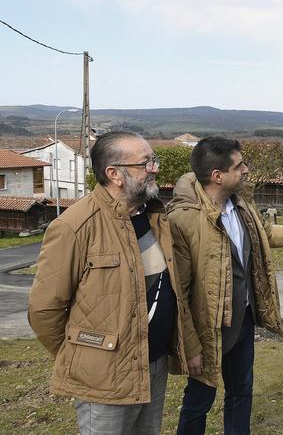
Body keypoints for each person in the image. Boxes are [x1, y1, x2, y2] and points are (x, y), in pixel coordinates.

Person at [168, 137, 283, 435]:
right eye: (240, 165)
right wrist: (190, 345)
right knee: (200, 399)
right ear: (217, 176)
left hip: (242, 321)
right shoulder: (183, 220)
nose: (246, 169)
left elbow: (266, 234)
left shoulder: (241, 205)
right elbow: (179, 293)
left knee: (241, 391)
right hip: (209, 328)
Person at [28, 131, 190, 435]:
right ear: (114, 174)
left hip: (153, 366)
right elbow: (43, 310)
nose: (155, 168)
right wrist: (87, 359)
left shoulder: (155, 217)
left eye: (154, 159)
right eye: (146, 163)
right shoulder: (74, 226)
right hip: (103, 379)